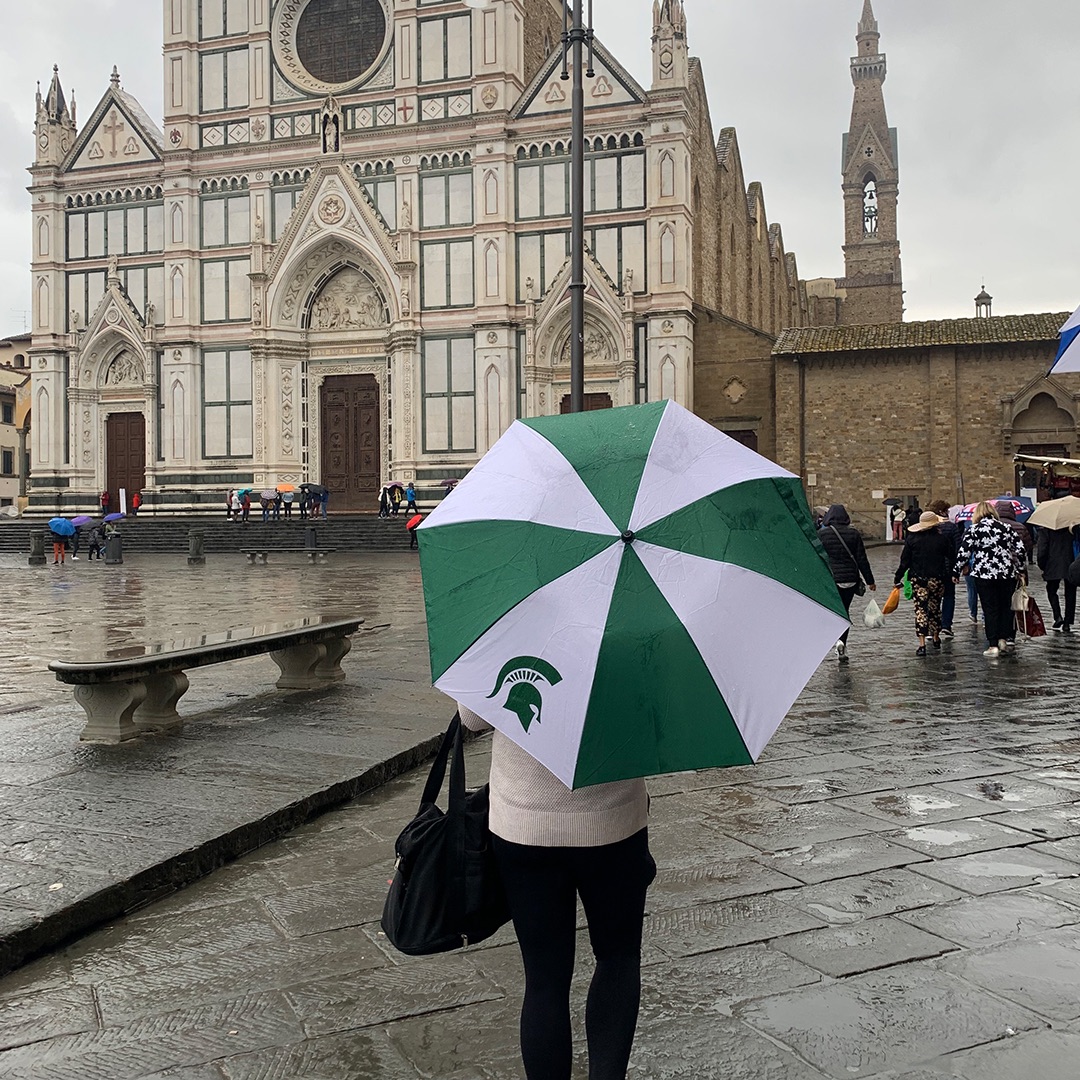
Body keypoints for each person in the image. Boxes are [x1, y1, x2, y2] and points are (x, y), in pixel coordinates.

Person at [459, 704, 654, 1080]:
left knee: (544, 977)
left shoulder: (510, 639)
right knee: (617, 959)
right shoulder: (633, 641)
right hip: (614, 818)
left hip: (525, 821)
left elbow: (472, 717)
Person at [953, 500, 1026, 658]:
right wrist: (1020, 570)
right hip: (1006, 574)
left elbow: (963, 552)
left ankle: (992, 644)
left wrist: (956, 571)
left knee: (990, 608)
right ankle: (1003, 639)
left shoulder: (974, 529)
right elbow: (1019, 550)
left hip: (984, 574)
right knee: (1005, 607)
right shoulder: (1006, 528)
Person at [818, 504, 876, 662]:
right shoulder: (854, 534)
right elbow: (861, 559)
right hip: (850, 579)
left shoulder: (821, 535)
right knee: (845, 611)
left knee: (835, 611)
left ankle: (835, 640)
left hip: (832, 579)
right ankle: (842, 642)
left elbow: (818, 559)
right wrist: (870, 580)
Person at [895, 511, 952, 656]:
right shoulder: (942, 539)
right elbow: (951, 556)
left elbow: (905, 561)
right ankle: (935, 637)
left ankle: (921, 644)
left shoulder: (912, 539)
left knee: (920, 609)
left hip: (918, 579)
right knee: (935, 607)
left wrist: (898, 577)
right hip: (937, 578)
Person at [928, 500, 960, 636]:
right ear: (942, 511)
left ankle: (931, 627)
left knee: (932, 597)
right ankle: (946, 624)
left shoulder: (926, 527)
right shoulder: (951, 527)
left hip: (930, 567)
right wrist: (958, 568)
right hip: (948, 567)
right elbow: (958, 548)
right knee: (948, 596)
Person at [1037, 525, 1077, 633]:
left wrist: (1042, 565)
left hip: (1052, 564)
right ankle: (1067, 622)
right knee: (1070, 593)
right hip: (1071, 562)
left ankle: (1057, 615)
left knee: (1051, 590)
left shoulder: (1046, 530)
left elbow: (1042, 549)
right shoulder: (1073, 529)